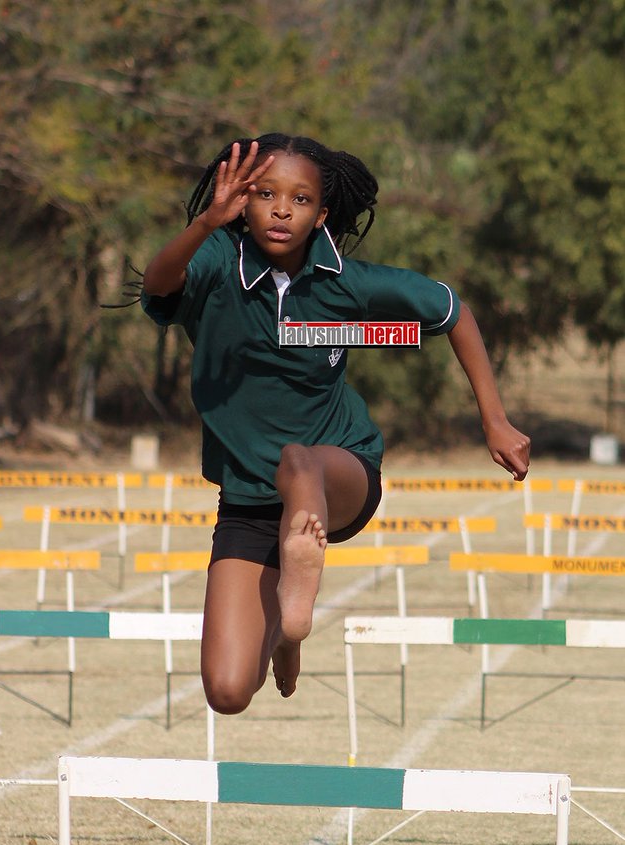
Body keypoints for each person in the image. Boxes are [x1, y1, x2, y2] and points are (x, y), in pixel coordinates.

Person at [141, 133, 530, 715]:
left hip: (336, 474)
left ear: (321, 215)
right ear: (243, 201)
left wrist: (494, 420)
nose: (280, 209)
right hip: (248, 498)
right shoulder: (219, 261)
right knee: (226, 693)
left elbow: (452, 311)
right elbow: (156, 285)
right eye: (265, 194)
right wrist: (203, 225)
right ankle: (284, 640)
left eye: (299, 200)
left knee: (297, 460)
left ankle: (296, 614)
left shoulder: (346, 281)